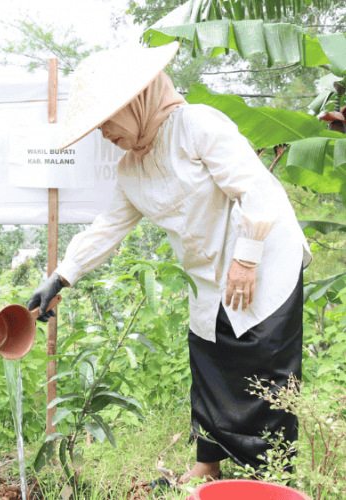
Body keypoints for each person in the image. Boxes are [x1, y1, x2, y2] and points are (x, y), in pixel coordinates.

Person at [27, 42, 311, 486]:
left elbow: (256, 190)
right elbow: (108, 227)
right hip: (209, 273)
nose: (104, 134)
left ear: (135, 103)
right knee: (211, 362)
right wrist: (61, 276)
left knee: (263, 364)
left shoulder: (196, 125)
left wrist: (246, 258)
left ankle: (270, 479)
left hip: (262, 256)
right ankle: (208, 465)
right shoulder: (131, 168)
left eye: (106, 122)